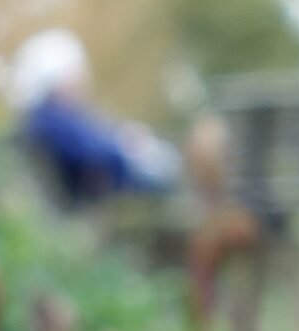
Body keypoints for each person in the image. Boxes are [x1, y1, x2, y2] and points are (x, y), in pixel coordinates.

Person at [10, 29, 178, 205]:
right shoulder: (50, 118)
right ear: (57, 80)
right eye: (74, 77)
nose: (81, 85)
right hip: (92, 210)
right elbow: (96, 153)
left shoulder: (56, 117)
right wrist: (127, 146)